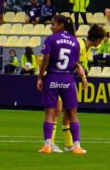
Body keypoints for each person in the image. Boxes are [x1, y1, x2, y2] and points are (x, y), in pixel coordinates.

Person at [36, 14, 88, 154]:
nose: (51, 27)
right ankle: (76, 146)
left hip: (52, 76)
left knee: (50, 112)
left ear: (61, 25)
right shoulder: (75, 41)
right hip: (67, 78)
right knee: (72, 113)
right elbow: (74, 63)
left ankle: (47, 145)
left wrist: (40, 77)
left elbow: (46, 59)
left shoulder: (51, 39)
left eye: (53, 24)